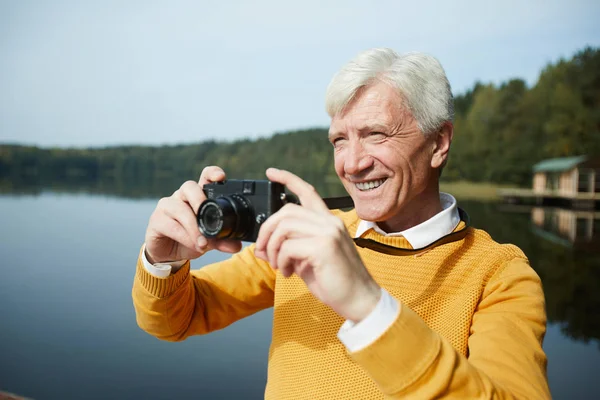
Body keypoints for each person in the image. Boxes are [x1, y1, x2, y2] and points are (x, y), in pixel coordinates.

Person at [132, 48, 551, 399]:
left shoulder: (500, 275)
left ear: (438, 142)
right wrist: (161, 262)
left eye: (376, 135)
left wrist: (367, 306)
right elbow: (176, 320)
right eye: (340, 140)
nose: (352, 163)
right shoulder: (306, 232)